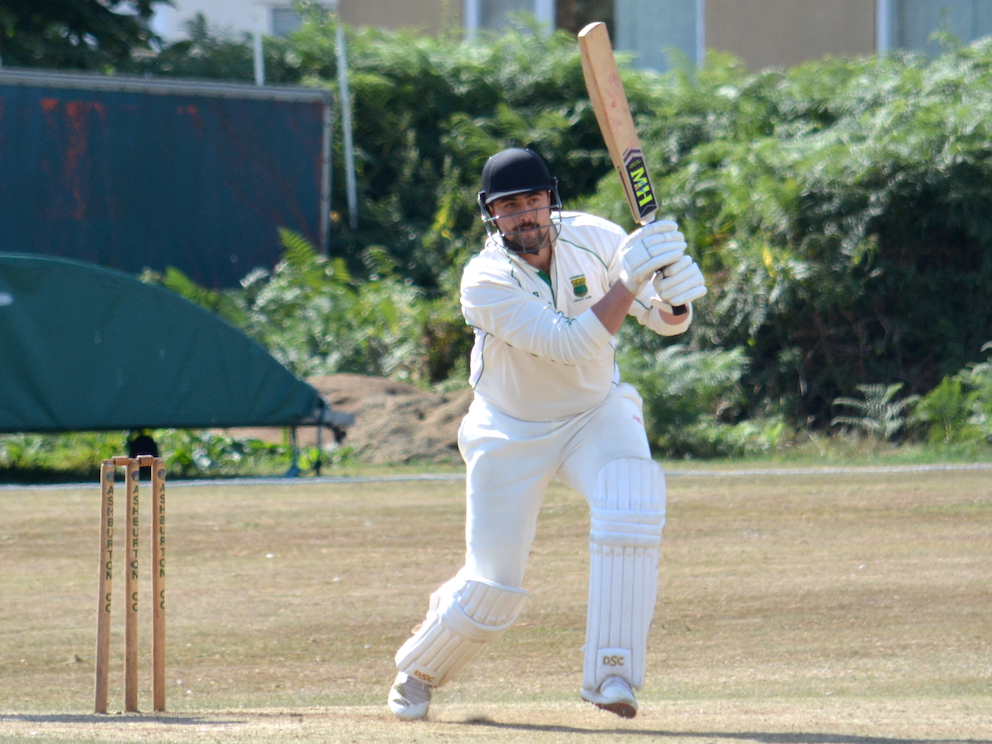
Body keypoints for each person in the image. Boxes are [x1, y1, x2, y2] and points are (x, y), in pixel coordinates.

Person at [387, 147, 707, 720]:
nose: (525, 217)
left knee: (633, 499)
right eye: (510, 207)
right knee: (492, 586)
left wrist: (676, 294)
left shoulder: (597, 238)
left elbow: (663, 321)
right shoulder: (484, 281)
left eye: (533, 202)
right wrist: (633, 279)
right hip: (510, 429)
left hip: (595, 413)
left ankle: (613, 675)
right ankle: (419, 670)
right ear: (491, 214)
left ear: (550, 200)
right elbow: (568, 344)